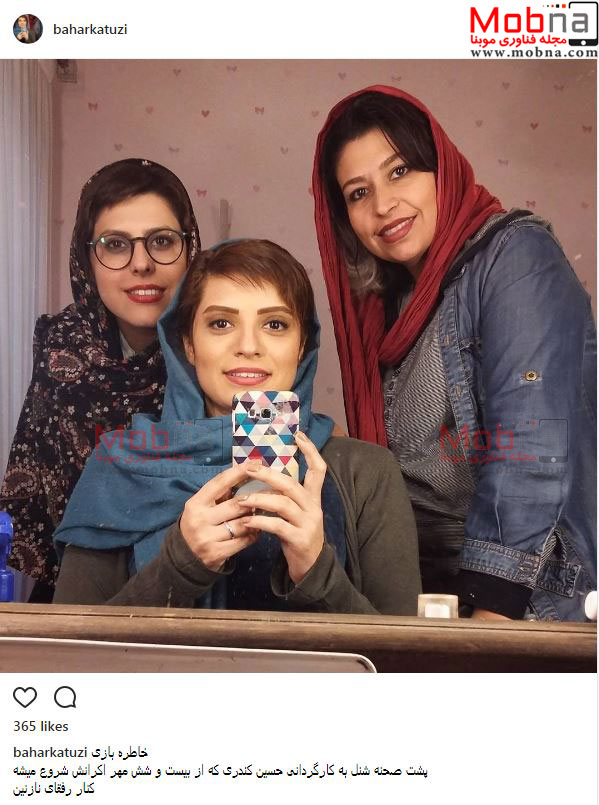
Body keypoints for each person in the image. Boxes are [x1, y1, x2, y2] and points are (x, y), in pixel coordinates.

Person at [313, 85, 596, 621]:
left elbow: (531, 447)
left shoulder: (515, 257)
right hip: (424, 594)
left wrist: (488, 620)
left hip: (520, 599)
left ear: (441, 168)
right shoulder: (389, 307)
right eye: (358, 192)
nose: (383, 205)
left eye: (400, 171)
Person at [52, 240, 421, 614]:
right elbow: (66, 647)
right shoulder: (119, 464)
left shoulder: (365, 472)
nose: (248, 345)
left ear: (301, 346)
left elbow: (407, 650)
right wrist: (178, 566)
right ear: (188, 344)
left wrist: (316, 571)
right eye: (221, 323)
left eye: (274, 324)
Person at [1, 159, 200, 601]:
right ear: (86, 258)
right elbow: (41, 489)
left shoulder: (222, 342)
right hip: (77, 590)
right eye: (115, 245)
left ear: (190, 249)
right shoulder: (61, 349)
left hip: (203, 588)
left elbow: (268, 453)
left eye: (162, 241)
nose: (142, 264)